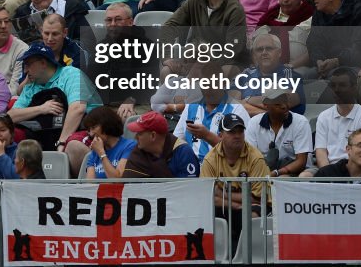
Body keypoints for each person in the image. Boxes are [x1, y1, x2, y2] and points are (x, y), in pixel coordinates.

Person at [9, 42, 101, 158]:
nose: (25, 70)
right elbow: (10, 116)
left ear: (43, 63)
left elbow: (78, 109)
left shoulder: (71, 74)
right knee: (6, 135)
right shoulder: (31, 86)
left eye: (28, 65)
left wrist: (62, 142)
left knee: (73, 145)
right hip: (47, 133)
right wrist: (41, 109)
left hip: (87, 128)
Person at [162, 0, 248, 72]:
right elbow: (169, 26)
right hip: (197, 59)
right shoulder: (195, 0)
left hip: (224, 65)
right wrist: (167, 58)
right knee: (166, 71)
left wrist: (205, 62)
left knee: (222, 71)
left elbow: (231, 53)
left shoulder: (234, 10)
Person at [199, 114, 269, 249]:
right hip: (230, 207)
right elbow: (208, 197)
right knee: (203, 212)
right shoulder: (210, 159)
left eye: (240, 131)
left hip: (252, 207)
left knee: (254, 215)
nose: (237, 135)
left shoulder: (256, 158)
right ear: (220, 135)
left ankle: (251, 254)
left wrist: (222, 193)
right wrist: (237, 204)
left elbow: (258, 198)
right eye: (231, 132)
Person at [303, 68, 361, 177]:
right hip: (328, 168)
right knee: (304, 176)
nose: (336, 90)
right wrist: (328, 174)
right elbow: (320, 151)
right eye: (333, 86)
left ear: (354, 88)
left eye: (342, 85)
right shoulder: (324, 116)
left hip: (355, 169)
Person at [301, 0, 361, 79]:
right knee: (298, 80)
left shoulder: (358, 11)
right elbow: (314, 42)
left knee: (333, 81)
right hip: (325, 67)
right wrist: (319, 61)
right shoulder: (319, 13)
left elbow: (360, 49)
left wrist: (337, 61)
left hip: (352, 67)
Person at [245, 89, 312, 177]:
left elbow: (301, 162)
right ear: (266, 105)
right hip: (264, 170)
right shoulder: (254, 123)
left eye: (285, 101)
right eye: (278, 104)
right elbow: (250, 158)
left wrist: (276, 173)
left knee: (282, 179)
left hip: (298, 171)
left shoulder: (301, 122)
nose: (284, 106)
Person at [239, 33, 305, 116]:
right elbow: (232, 104)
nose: (264, 52)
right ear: (254, 55)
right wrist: (268, 113)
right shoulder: (245, 74)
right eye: (259, 49)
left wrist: (247, 100)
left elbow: (288, 102)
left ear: (279, 52)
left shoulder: (290, 75)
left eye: (269, 48)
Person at [123, 111, 200, 178]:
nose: (135, 137)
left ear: (153, 135)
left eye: (139, 133)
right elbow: (128, 188)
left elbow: (189, 189)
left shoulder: (183, 152)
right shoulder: (139, 151)